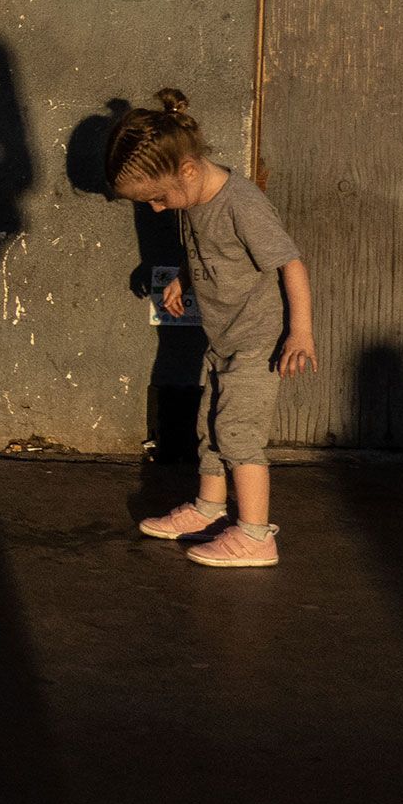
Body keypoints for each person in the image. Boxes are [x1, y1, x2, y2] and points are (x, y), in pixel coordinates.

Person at [105, 89, 314, 568]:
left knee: (238, 432)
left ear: (189, 170)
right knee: (210, 428)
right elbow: (203, 249)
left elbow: (291, 264)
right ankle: (209, 510)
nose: (157, 209)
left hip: (260, 340)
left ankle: (256, 535)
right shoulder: (193, 200)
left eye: (158, 198)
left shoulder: (242, 203)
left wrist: (300, 332)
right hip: (224, 336)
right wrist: (182, 275)